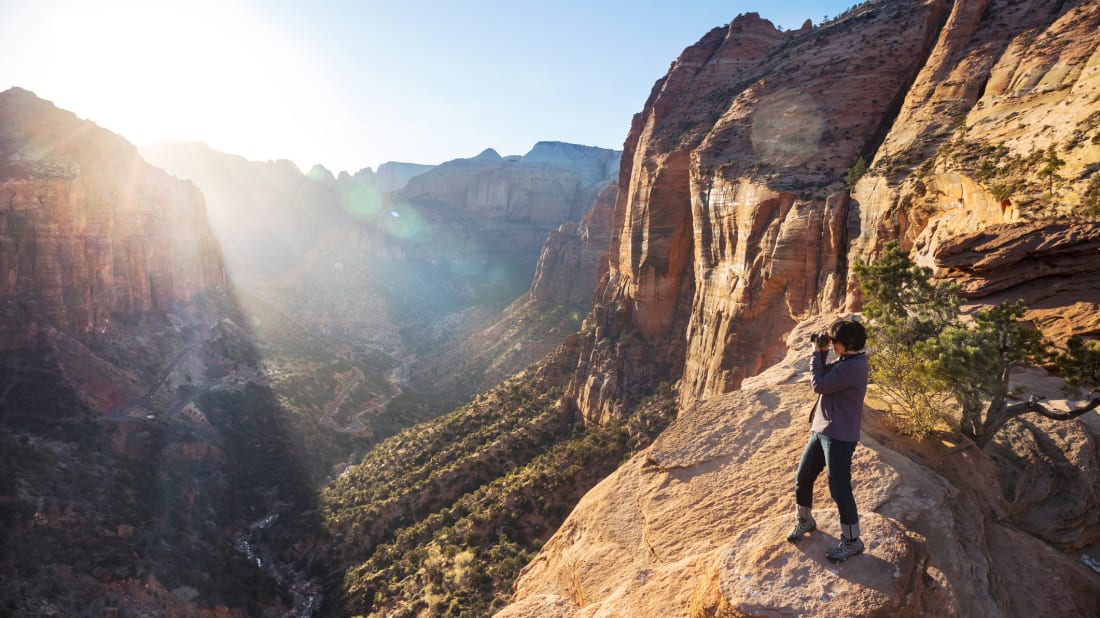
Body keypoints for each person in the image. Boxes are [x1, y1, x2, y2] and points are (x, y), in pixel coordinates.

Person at [786, 318, 869, 563]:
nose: (832, 343)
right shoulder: (847, 361)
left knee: (839, 488)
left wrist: (816, 354)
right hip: (822, 431)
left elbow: (819, 384)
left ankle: (852, 541)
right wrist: (822, 354)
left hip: (839, 437)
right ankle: (805, 520)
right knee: (803, 477)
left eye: (835, 341)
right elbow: (826, 378)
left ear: (847, 344)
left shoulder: (854, 367)